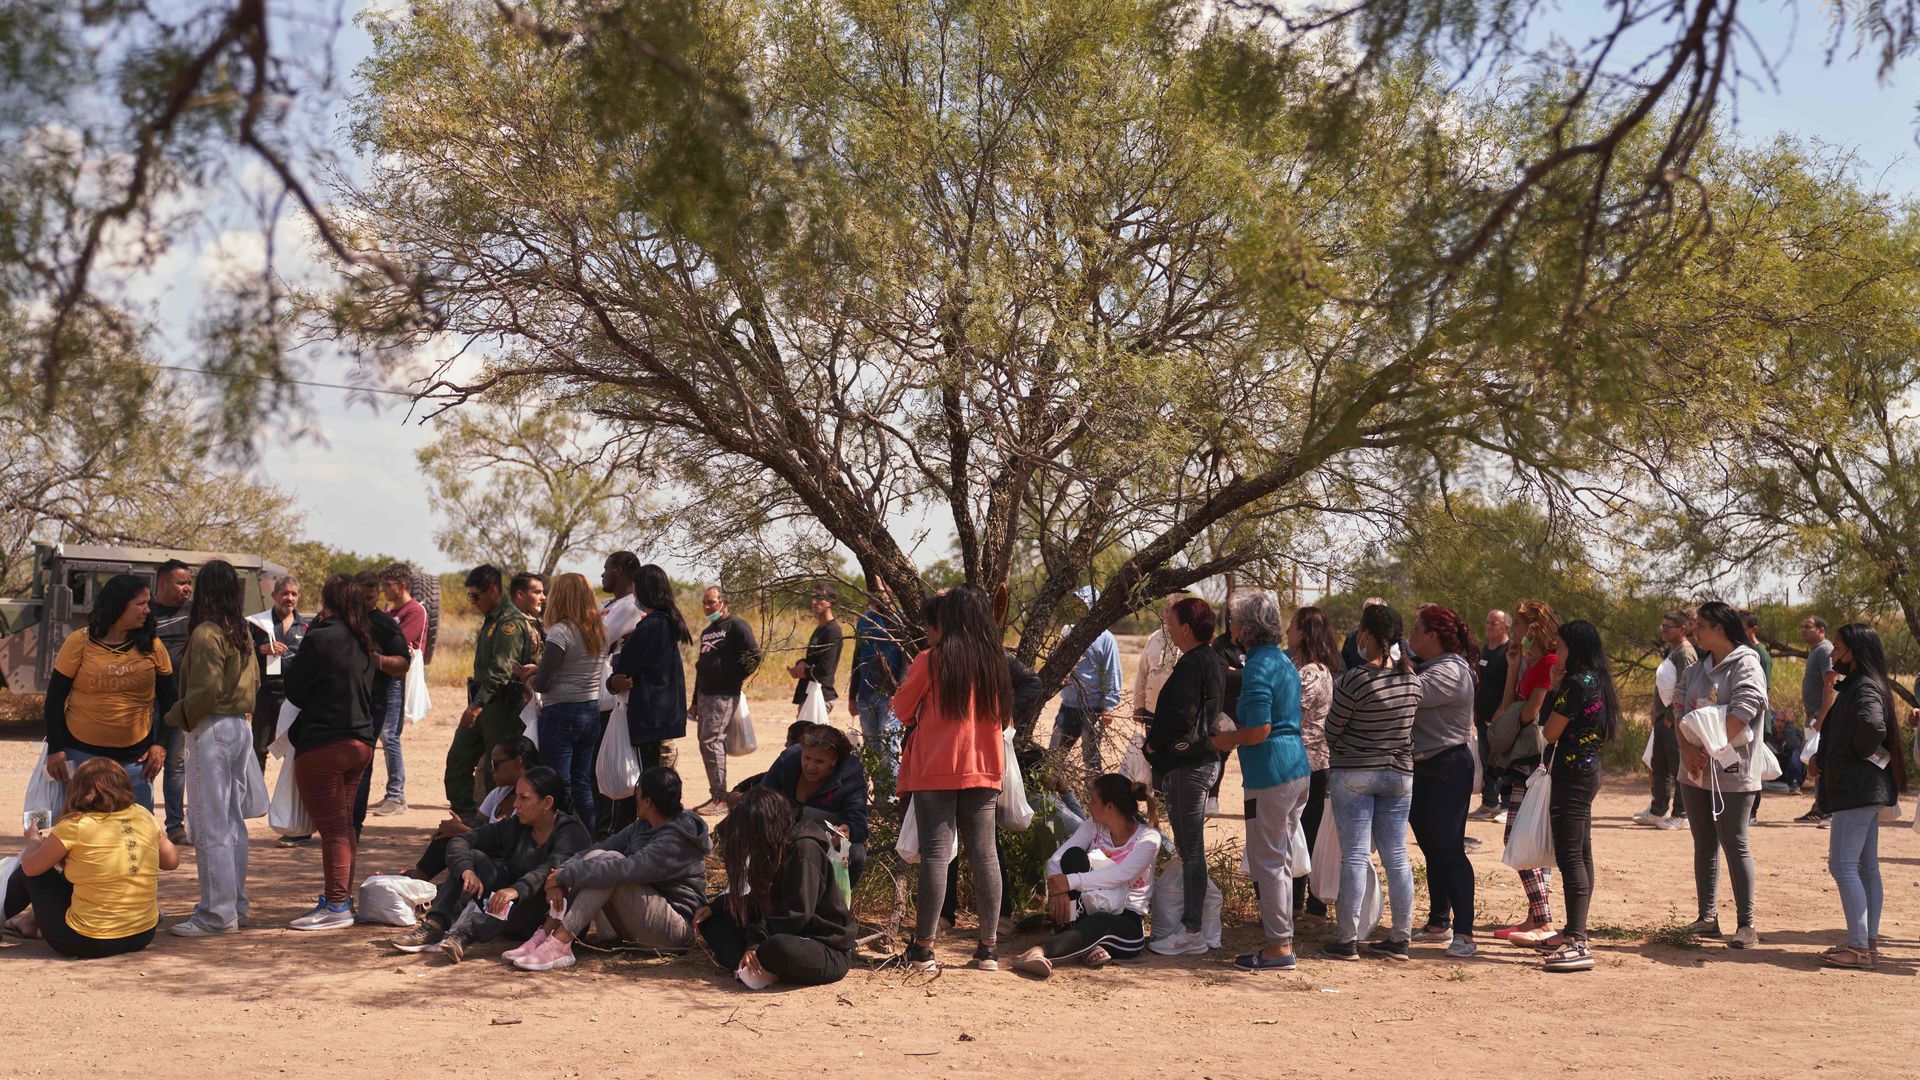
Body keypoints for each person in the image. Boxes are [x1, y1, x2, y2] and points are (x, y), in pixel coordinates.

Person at [891, 584, 1010, 973]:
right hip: (984, 767)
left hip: (935, 769)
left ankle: (924, 949)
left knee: (936, 857)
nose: (929, 628)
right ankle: (988, 950)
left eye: (934, 621)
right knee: (985, 856)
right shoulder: (995, 662)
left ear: (950, 620)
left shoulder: (931, 660)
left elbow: (902, 708)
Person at [512, 766, 711, 971]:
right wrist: (560, 876)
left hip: (675, 931)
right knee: (600, 857)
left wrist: (566, 876)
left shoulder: (677, 838)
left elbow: (627, 869)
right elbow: (597, 849)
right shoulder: (643, 825)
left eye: (637, 795)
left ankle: (561, 942)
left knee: (610, 864)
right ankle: (547, 934)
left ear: (648, 801)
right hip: (638, 921)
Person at [391, 766, 590, 961]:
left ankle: (465, 934)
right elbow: (461, 840)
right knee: (473, 858)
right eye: (517, 797)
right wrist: (466, 869)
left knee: (539, 889)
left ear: (547, 802)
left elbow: (549, 870)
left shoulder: (571, 832)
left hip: (545, 916)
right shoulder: (515, 825)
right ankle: (434, 926)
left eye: (524, 798)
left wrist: (515, 890)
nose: (516, 805)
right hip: (506, 910)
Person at [161, 559, 262, 938]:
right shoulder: (243, 631)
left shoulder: (206, 632)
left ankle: (216, 915)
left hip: (212, 728)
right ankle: (234, 905)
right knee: (232, 824)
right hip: (238, 728)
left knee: (209, 824)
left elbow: (203, 692)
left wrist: (175, 716)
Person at [1212, 591, 1311, 970]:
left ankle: (1278, 947)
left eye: (1234, 620)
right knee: (1279, 859)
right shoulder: (1283, 661)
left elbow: (1259, 729)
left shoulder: (1257, 666)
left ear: (1245, 628)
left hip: (1271, 772)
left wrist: (1226, 739)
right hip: (1295, 768)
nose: (1231, 627)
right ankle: (1281, 937)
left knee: (1267, 861)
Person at [1320, 602, 1422, 962]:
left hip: (1355, 774)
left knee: (1356, 857)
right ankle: (1401, 937)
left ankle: (1347, 938)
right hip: (1399, 775)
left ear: (1366, 635)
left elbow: (1332, 729)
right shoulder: (1412, 680)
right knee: (1397, 857)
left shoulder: (1355, 679)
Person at [3, 757, 180, 958]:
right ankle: (29, 923)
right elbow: (171, 862)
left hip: (85, 941)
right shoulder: (143, 815)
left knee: (30, 872)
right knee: (83, 876)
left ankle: (8, 918)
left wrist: (33, 840)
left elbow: (30, 868)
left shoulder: (75, 825)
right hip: (142, 934)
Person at [283, 574, 380, 931]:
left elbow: (294, 687)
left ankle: (337, 904)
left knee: (335, 828)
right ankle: (339, 899)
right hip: (361, 743)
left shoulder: (320, 637)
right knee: (344, 826)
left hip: (324, 744)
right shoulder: (364, 639)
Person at [1673, 600, 1769, 949]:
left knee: (1735, 841)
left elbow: (1744, 710)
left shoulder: (1746, 665)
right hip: (1694, 769)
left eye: (1700, 626)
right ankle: (1707, 918)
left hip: (1731, 770)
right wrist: (1687, 751)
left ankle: (1746, 925)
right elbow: (1679, 710)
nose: (1694, 632)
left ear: (1720, 628)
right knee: (1704, 844)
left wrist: (1710, 748)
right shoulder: (1695, 670)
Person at [1523, 619, 1618, 972]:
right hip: (1587, 772)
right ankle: (1576, 931)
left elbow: (1549, 731)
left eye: (1560, 647)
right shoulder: (1596, 680)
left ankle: (1577, 940)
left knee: (1570, 855)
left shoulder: (1576, 684)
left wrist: (1554, 688)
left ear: (1574, 649)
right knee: (1582, 850)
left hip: (1572, 776)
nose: (1556, 654)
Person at [1813, 623, 1909, 969]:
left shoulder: (1864, 687)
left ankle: (1858, 949)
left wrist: (1851, 756)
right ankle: (1866, 942)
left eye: (1837, 647)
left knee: (1842, 865)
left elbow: (1872, 729)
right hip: (1865, 787)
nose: (1833, 653)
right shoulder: (1863, 683)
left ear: (1853, 650)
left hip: (1858, 788)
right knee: (1867, 867)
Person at [696, 787, 858, 988]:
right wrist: (719, 905)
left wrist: (755, 943)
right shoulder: (773, 847)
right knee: (713, 921)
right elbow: (763, 899)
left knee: (777, 947)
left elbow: (796, 914)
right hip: (779, 928)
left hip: (822, 945)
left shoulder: (804, 850)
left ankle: (757, 965)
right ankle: (751, 967)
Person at [41, 573, 176, 811]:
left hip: (136, 760)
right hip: (82, 755)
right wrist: (56, 749)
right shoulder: (79, 642)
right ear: (118, 605)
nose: (147, 610)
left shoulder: (153, 646)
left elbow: (169, 700)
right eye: (140, 604)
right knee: (82, 827)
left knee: (134, 830)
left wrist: (160, 745)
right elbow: (54, 698)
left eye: (148, 603)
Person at [1010, 774, 1163, 978]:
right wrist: (1059, 893)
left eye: (1092, 800)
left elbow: (1121, 874)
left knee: (1099, 922)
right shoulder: (1093, 827)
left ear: (1109, 806)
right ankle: (1085, 947)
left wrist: (1069, 882)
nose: (1088, 805)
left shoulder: (1148, 838)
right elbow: (1056, 860)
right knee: (1073, 857)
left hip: (1124, 922)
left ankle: (1040, 952)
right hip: (1081, 912)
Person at [1143, 596, 1225, 958]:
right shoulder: (1212, 658)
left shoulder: (1194, 663)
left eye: (1172, 623)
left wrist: (1154, 745)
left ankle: (1192, 930)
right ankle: (1193, 925)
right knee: (1191, 849)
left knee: (1191, 850)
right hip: (1200, 761)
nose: (1169, 629)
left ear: (1186, 628)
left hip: (1189, 766)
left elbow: (1182, 714)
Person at [1406, 604, 1479, 959]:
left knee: (1449, 849)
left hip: (1446, 766)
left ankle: (1465, 932)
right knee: (1432, 848)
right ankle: (1439, 921)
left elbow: (1408, 694)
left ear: (1433, 636)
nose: (1410, 636)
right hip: (1426, 765)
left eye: (1416, 629)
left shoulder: (1449, 671)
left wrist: (1389, 667)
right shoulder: (1432, 666)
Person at [1490, 599, 1561, 940]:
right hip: (1520, 759)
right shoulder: (1530, 662)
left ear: (1531, 627)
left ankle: (1544, 919)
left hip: (1533, 761)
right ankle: (1536, 918)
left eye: (1517, 625)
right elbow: (1508, 707)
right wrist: (1512, 667)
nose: (1513, 631)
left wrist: (1512, 715)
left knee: (1519, 835)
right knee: (1533, 838)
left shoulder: (1549, 662)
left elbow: (1529, 713)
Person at [445, 564, 537, 820]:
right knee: (458, 760)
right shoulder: (491, 621)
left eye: (475, 595)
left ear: (493, 590)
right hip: (484, 703)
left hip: (500, 707)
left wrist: (477, 704)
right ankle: (465, 818)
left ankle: (494, 824)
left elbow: (501, 671)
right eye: (469, 596)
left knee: (497, 772)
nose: (472, 602)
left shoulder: (509, 624)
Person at [606, 564, 692, 830]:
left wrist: (613, 675)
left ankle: (650, 828)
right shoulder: (666, 622)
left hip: (649, 714)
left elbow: (626, 668)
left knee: (647, 776)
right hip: (661, 712)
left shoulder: (652, 625)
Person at [532, 572, 608, 834]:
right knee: (582, 783)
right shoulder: (599, 632)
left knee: (557, 783)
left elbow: (543, 683)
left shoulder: (560, 631)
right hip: (590, 710)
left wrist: (529, 675)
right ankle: (586, 838)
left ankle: (559, 840)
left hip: (561, 712)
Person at [410, 737, 539, 880]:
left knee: (462, 843)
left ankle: (416, 882)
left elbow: (513, 850)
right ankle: (417, 881)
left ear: (517, 762)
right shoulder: (500, 793)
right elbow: (477, 826)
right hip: (492, 859)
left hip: (512, 867)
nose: (491, 770)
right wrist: (455, 828)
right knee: (458, 829)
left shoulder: (532, 799)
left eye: (496, 763)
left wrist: (460, 831)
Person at [760, 724, 871, 882]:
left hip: (824, 842)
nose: (810, 766)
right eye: (807, 758)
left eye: (819, 761)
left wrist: (848, 830)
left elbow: (859, 825)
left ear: (834, 761)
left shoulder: (850, 777)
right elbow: (761, 799)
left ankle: (833, 902)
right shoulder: (788, 761)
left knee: (856, 854)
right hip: (782, 835)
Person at [350, 571, 414, 839]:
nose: (365, 603)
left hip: (372, 702)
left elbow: (403, 663)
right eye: (360, 597)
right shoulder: (338, 620)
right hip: (340, 703)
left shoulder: (386, 625)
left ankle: (353, 827)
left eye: (370, 597)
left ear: (377, 595)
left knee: (362, 763)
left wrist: (379, 661)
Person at [1287, 605, 1339, 922]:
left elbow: (1289, 709)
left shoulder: (1310, 673)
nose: (1287, 631)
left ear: (1304, 632)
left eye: (1292, 626)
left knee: (1303, 832)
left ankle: (1303, 902)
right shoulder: (1303, 667)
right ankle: (1303, 901)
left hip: (1309, 761)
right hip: (1307, 760)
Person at [693, 584, 763, 811]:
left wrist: (736, 678)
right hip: (705, 694)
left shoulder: (736, 626)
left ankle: (721, 799)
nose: (706, 606)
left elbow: (754, 655)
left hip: (723, 694)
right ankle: (716, 794)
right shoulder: (707, 631)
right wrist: (694, 700)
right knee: (707, 743)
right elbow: (701, 666)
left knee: (712, 741)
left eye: (711, 602)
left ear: (723, 602)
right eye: (704, 602)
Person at [372, 563, 429, 816]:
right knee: (382, 733)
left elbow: (397, 643)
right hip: (384, 676)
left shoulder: (415, 611)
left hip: (397, 677)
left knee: (389, 734)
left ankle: (397, 795)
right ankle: (391, 793)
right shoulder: (390, 610)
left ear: (402, 585)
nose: (384, 590)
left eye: (388, 585)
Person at [1634, 608, 1698, 829]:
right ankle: (1658, 809)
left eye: (1668, 626)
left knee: (1677, 766)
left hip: (1674, 721)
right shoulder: (1672, 651)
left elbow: (1686, 687)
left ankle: (1682, 813)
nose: (1663, 630)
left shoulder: (1685, 653)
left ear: (1682, 629)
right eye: (1662, 625)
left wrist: (1672, 717)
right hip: (1662, 720)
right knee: (1658, 764)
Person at [596, 551, 644, 834]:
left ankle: (613, 829)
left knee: (617, 763)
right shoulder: (607, 604)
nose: (602, 574)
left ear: (622, 571)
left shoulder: (629, 606)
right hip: (600, 693)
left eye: (607, 569)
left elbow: (597, 640)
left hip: (615, 697)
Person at [1052, 587, 1123, 777]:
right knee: (1054, 756)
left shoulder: (1106, 638)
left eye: (1082, 603)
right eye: (1076, 603)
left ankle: (1091, 799)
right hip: (1067, 706)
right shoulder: (1068, 631)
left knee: (1091, 761)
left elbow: (1112, 671)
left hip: (1093, 710)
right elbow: (1056, 662)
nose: (1078, 608)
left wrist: (1109, 706)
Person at [148, 559, 194, 845]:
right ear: (162, 583)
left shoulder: (194, 615)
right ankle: (140, 822)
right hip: (145, 702)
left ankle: (174, 826)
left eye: (189, 582)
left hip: (179, 704)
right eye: (181, 582)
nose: (187, 588)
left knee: (176, 766)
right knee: (144, 763)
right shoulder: (144, 614)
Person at [248, 575, 309, 772]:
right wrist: (261, 649)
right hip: (265, 694)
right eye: (284, 593)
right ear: (274, 595)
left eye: (294, 594)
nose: (289, 598)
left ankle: (288, 801)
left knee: (293, 749)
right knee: (259, 749)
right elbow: (242, 654)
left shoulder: (306, 627)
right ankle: (257, 801)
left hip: (293, 698)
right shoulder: (258, 624)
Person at [849, 586, 908, 762]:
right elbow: (857, 658)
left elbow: (907, 659)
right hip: (865, 695)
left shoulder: (900, 619)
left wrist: (899, 691)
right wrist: (853, 696)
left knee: (888, 751)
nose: (873, 593)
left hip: (889, 697)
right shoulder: (864, 620)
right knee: (872, 753)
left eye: (879, 589)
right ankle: (878, 790)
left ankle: (892, 791)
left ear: (890, 590)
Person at [1471, 609, 1511, 817]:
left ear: (1506, 627)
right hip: (1482, 716)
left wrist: (1501, 712)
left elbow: (1511, 686)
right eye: (1487, 622)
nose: (1488, 626)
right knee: (1486, 760)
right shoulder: (1484, 650)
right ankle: (1489, 802)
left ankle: (1507, 804)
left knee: (1502, 761)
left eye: (1493, 623)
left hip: (1501, 719)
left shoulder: (1510, 652)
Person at [1740, 610, 1774, 824]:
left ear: (1753, 629)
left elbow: (1763, 689)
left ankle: (1752, 811)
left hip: (1758, 720)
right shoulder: (1742, 652)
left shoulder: (1760, 654)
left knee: (1754, 767)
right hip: (1743, 720)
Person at [1766, 707, 1807, 794]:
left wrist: (1789, 727)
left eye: (1783, 721)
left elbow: (1793, 745)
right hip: (1775, 774)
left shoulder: (1796, 733)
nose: (1779, 724)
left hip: (1790, 774)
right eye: (1777, 720)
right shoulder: (1770, 735)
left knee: (1796, 750)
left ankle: (1794, 784)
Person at [1340, 597, 1385, 672]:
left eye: (1373, 612)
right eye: (1366, 612)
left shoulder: (1394, 638)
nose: (1369, 616)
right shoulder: (1351, 638)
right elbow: (1343, 668)